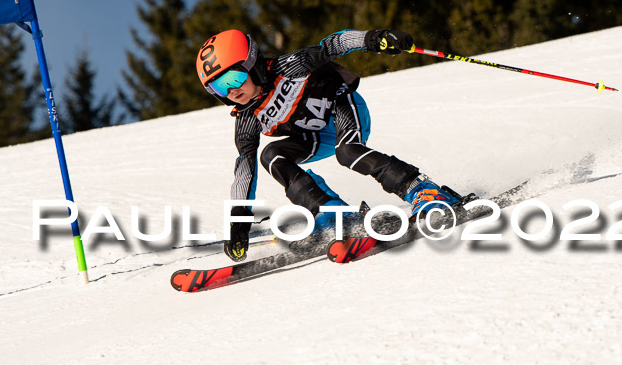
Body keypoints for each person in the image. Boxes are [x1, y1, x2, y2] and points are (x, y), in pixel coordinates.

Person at [196, 28, 468, 262]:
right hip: (316, 136)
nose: (231, 91)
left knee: (348, 152)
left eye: (233, 78)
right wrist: (239, 221)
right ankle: (335, 215)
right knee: (272, 154)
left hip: (343, 106)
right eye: (219, 88)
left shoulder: (288, 67)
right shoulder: (246, 120)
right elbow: (244, 170)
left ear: (252, 64)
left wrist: (374, 38)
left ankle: (423, 191)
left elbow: (332, 44)